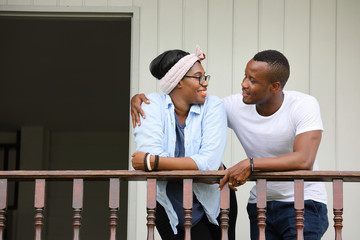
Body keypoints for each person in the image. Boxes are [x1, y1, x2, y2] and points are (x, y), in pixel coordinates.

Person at [131, 49, 328, 240]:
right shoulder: (230, 106)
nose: (243, 84)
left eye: (252, 80)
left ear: (274, 86)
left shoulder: (303, 105)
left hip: (304, 202)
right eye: (245, 76)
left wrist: (249, 164)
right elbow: (189, 106)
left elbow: (304, 160)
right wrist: (140, 99)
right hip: (261, 205)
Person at [131, 45, 237, 240]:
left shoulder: (213, 105)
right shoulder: (150, 106)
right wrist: (200, 171)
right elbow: (205, 167)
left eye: (205, 77)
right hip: (169, 204)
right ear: (178, 81)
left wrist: (153, 162)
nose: (205, 83)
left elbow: (210, 164)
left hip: (216, 200)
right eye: (199, 77)